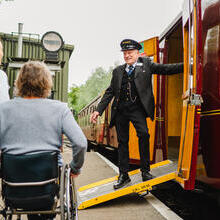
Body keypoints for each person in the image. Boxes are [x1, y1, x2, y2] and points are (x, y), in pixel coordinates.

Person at [90, 39, 183, 189]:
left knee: (144, 135)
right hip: (120, 110)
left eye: (130, 53)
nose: (127, 56)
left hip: (137, 109)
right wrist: (97, 110)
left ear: (137, 53)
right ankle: (123, 176)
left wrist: (187, 66)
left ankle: (145, 171)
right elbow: (110, 92)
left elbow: (166, 69)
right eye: (125, 53)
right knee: (123, 142)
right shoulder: (118, 71)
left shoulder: (146, 65)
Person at [0, 61, 87, 219]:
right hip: (46, 186)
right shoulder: (60, 109)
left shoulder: (3, 109)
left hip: (13, 186)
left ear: (19, 82)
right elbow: (80, 143)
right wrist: (75, 167)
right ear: (47, 82)